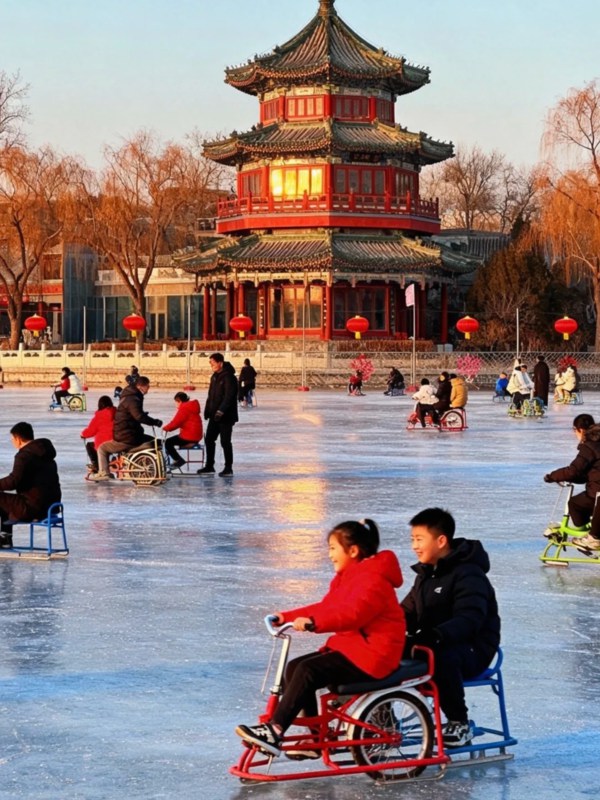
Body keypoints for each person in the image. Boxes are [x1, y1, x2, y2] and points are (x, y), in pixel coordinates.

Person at [235, 519, 405, 758]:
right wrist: (287, 616)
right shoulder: (349, 577)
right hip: (355, 649)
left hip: (374, 656)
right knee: (295, 667)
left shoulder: (373, 579)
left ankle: (275, 729)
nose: (330, 554)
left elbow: (353, 615)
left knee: (308, 670)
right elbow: (327, 607)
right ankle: (315, 739)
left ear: (353, 551)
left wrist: (315, 624)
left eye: (333, 548)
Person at [401, 507, 500, 748]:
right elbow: (406, 612)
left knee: (440, 656)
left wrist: (436, 634)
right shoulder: (425, 575)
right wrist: (380, 627)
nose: (414, 546)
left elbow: (470, 618)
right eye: (412, 539)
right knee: (386, 650)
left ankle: (459, 722)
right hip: (433, 641)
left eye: (419, 539)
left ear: (441, 540)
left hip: (472, 649)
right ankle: (381, 719)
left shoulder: (469, 574)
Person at [0, 422, 62, 548]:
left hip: (33, 508)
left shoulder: (24, 456)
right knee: (6, 500)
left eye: (12, 438)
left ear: (18, 438)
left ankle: (5, 537)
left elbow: (13, 481)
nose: (12, 441)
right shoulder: (47, 455)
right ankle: (5, 537)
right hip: (51, 507)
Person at [543, 414, 600, 550]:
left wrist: (552, 476)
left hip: (597, 493)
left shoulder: (589, 447)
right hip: (596, 488)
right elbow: (587, 474)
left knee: (575, 504)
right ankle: (594, 530)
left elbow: (573, 471)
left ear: (579, 430)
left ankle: (592, 537)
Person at [90, 375, 162, 481]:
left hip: (128, 434)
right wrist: (153, 421)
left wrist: (148, 419)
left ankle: (105, 471)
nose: (148, 389)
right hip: (127, 436)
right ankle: (104, 473)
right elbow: (138, 416)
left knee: (154, 441)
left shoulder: (131, 396)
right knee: (102, 448)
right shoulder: (133, 398)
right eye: (147, 386)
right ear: (140, 386)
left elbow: (136, 415)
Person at [197, 353, 238, 477]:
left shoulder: (229, 377)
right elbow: (211, 396)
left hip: (226, 416)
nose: (211, 366)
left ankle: (228, 467)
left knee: (225, 442)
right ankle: (210, 465)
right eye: (210, 363)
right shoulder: (214, 377)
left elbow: (229, 397)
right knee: (209, 439)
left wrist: (221, 411)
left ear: (220, 363)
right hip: (214, 416)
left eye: (213, 363)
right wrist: (207, 409)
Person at [162, 392, 203, 469]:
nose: (175, 405)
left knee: (168, 442)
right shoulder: (191, 407)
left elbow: (175, 423)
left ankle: (178, 460)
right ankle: (179, 457)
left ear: (179, 401)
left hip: (189, 436)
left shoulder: (184, 409)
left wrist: (166, 428)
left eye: (175, 402)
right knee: (175, 440)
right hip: (196, 435)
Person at [80, 395, 116, 474]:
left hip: (103, 444)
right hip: (117, 440)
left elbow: (91, 430)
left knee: (90, 445)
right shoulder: (116, 413)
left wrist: (83, 434)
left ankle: (97, 466)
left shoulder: (99, 416)